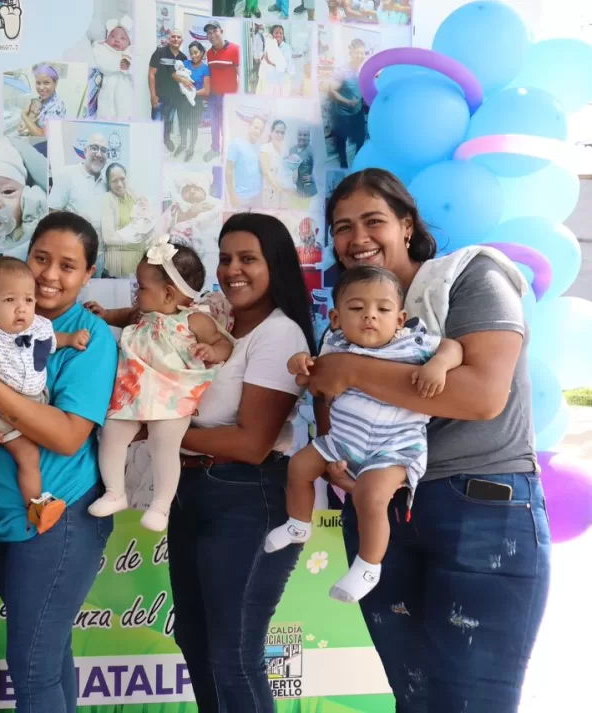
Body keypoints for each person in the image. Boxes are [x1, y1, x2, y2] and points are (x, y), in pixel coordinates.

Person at [307, 169, 547, 711]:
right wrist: (336, 456)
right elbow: (330, 404)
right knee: (413, 697)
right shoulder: (344, 322)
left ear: (407, 225)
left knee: (472, 701)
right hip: (381, 511)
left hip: (481, 507)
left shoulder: (470, 275)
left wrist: (347, 368)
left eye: (373, 221)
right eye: (342, 228)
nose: (357, 238)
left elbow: (481, 395)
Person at [144, 212, 314, 712]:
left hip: (248, 496)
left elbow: (252, 443)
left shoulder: (280, 336)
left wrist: (162, 435)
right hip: (191, 493)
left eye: (248, 259)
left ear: (275, 265)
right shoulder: (213, 321)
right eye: (224, 258)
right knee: (195, 644)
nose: (231, 269)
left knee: (234, 656)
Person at [0, 212, 117, 711]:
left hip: (58, 517)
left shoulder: (89, 336)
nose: (50, 275)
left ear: (88, 274)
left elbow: (69, 436)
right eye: (42, 259)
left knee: (31, 670)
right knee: (48, 660)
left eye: (68, 266)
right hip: (1, 513)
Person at [271, 266, 463, 602]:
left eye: (383, 309)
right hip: (344, 441)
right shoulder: (334, 344)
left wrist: (439, 365)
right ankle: (298, 523)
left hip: (394, 448)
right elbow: (308, 379)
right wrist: (300, 362)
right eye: (357, 308)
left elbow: (453, 347)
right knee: (298, 467)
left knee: (370, 497)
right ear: (335, 317)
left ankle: (368, 565)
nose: (370, 317)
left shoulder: (413, 344)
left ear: (400, 318)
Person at [90, 237, 233, 531]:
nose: (136, 292)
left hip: (172, 394)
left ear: (168, 294)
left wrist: (212, 351)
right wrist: (104, 316)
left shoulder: (195, 320)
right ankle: (115, 492)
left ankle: (161, 505)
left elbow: (224, 343)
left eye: (141, 287)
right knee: (112, 434)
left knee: (164, 444)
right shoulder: (142, 314)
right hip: (135, 390)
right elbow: (124, 315)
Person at [0, 255, 90, 533]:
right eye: (10, 301)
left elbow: (50, 341)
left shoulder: (37, 326)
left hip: (25, 408)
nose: (22, 309)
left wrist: (70, 339)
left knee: (29, 457)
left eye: (28, 300)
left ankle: (36, 505)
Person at [100, 162, 153, 278]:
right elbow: (108, 238)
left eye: (122, 179)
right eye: (114, 181)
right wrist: (137, 236)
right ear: (108, 183)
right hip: (117, 267)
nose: (119, 184)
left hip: (137, 265)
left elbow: (147, 221)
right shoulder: (108, 198)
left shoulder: (133, 194)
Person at [48, 131, 108, 233]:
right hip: (74, 245)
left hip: (102, 247)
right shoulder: (67, 175)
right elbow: (52, 213)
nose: (99, 154)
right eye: (94, 148)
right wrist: (75, 222)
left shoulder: (107, 181)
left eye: (103, 150)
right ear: (85, 151)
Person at [204, 22, 240, 163]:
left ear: (221, 31)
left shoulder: (235, 49)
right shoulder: (208, 53)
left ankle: (227, 152)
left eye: (214, 31)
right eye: (209, 33)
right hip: (213, 96)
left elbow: (240, 75)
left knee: (226, 127)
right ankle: (214, 149)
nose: (212, 35)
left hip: (228, 97)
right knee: (214, 124)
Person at [328, 39, 367, 169]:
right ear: (350, 52)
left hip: (357, 111)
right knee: (342, 141)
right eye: (357, 53)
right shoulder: (342, 71)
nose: (360, 56)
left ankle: (357, 164)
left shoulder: (363, 69)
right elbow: (331, 90)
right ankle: (343, 165)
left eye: (362, 53)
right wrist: (347, 102)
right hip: (342, 113)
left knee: (360, 139)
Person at [148, 28, 187, 153]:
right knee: (156, 122)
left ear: (182, 40)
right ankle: (153, 147)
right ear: (169, 39)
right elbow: (151, 74)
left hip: (174, 98)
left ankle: (166, 139)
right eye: (173, 36)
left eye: (178, 37)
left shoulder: (183, 58)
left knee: (169, 121)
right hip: (159, 97)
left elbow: (184, 77)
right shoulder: (159, 52)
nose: (176, 39)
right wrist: (153, 95)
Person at [91, 15, 134, 120]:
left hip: (125, 91)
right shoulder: (102, 49)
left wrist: (129, 67)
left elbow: (139, 71)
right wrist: (118, 64)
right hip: (107, 88)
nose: (117, 40)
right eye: (113, 36)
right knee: (105, 112)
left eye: (123, 38)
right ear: (106, 39)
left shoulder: (131, 52)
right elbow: (101, 63)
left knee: (125, 112)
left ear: (129, 43)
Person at [176, 41, 211, 163]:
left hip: (196, 101)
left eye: (196, 52)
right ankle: (183, 145)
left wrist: (193, 92)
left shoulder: (205, 69)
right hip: (183, 100)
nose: (194, 55)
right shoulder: (185, 63)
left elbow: (206, 90)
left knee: (193, 126)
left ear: (201, 52)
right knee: (182, 124)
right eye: (191, 53)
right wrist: (183, 81)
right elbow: (175, 75)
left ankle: (191, 148)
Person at [226, 115, 266, 207]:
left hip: (258, 196)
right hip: (242, 198)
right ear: (249, 126)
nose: (258, 131)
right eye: (256, 127)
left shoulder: (259, 147)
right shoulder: (235, 143)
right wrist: (232, 195)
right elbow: (228, 171)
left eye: (261, 130)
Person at [21, 64, 65, 139]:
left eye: (46, 83)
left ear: (55, 83)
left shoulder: (57, 106)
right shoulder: (39, 100)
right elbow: (29, 120)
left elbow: (43, 136)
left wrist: (23, 115)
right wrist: (23, 126)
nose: (41, 87)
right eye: (38, 83)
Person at [259, 119, 295, 209]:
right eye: (277, 132)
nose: (280, 135)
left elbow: (288, 171)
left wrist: (290, 185)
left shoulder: (285, 149)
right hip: (270, 193)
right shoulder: (265, 149)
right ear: (271, 132)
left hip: (284, 195)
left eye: (282, 133)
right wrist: (279, 189)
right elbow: (266, 172)